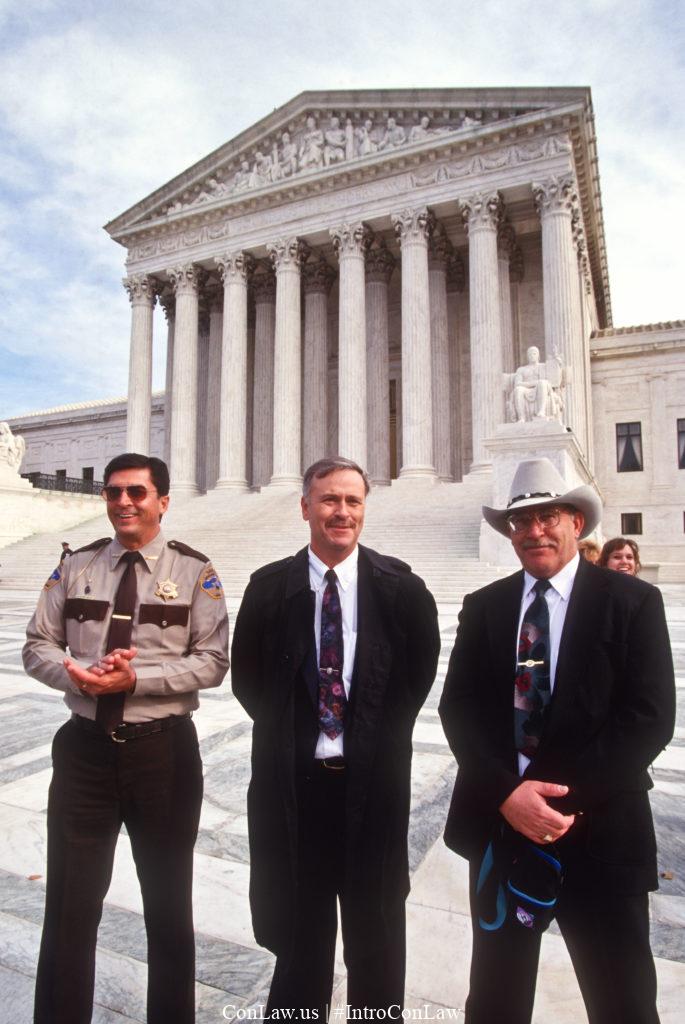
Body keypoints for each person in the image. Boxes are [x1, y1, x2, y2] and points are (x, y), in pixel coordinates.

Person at [438, 457, 675, 1024]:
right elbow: (459, 709)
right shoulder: (486, 606)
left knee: (621, 998)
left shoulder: (632, 604)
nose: (533, 531)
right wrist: (507, 793)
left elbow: (648, 719)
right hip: (503, 826)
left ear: (576, 522)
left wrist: (555, 801)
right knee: (496, 997)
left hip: (600, 832)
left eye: (547, 516)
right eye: (521, 521)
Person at [23, 452, 230, 1024]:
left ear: (163, 500)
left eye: (137, 493)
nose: (123, 503)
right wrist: (73, 673)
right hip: (84, 752)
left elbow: (213, 661)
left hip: (162, 754)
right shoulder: (76, 566)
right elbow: (37, 643)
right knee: (70, 903)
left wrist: (139, 679)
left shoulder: (195, 572)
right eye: (114, 492)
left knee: (167, 903)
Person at [231, 456, 440, 1018]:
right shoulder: (269, 587)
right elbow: (248, 680)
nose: (340, 512)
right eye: (329, 500)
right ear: (305, 508)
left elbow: (418, 674)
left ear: (364, 510)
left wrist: (372, 738)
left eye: (352, 501)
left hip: (373, 789)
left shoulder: (400, 587)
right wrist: (298, 736)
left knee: (376, 933)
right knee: (300, 935)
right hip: (296, 788)